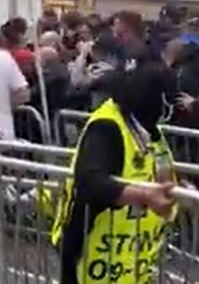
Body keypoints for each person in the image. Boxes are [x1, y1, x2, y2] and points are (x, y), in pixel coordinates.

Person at [51, 61, 177, 284]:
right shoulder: (107, 127)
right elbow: (89, 181)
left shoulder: (151, 131)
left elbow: (161, 174)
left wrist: (182, 193)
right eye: (169, 98)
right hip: (90, 256)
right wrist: (144, 195)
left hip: (130, 263)